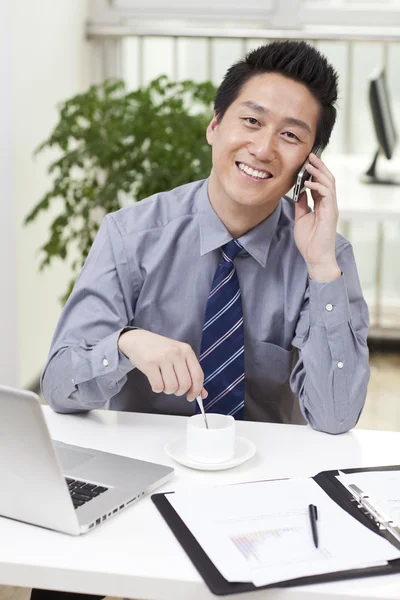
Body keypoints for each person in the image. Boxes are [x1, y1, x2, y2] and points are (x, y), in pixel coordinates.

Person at [31, 40, 370, 600]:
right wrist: (126, 344)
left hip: (262, 492)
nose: (262, 148)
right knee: (61, 579)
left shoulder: (325, 258)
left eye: (290, 135)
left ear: (311, 163)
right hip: (141, 481)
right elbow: (61, 386)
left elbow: (334, 419)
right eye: (250, 121)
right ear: (215, 126)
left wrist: (320, 264)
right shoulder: (131, 235)